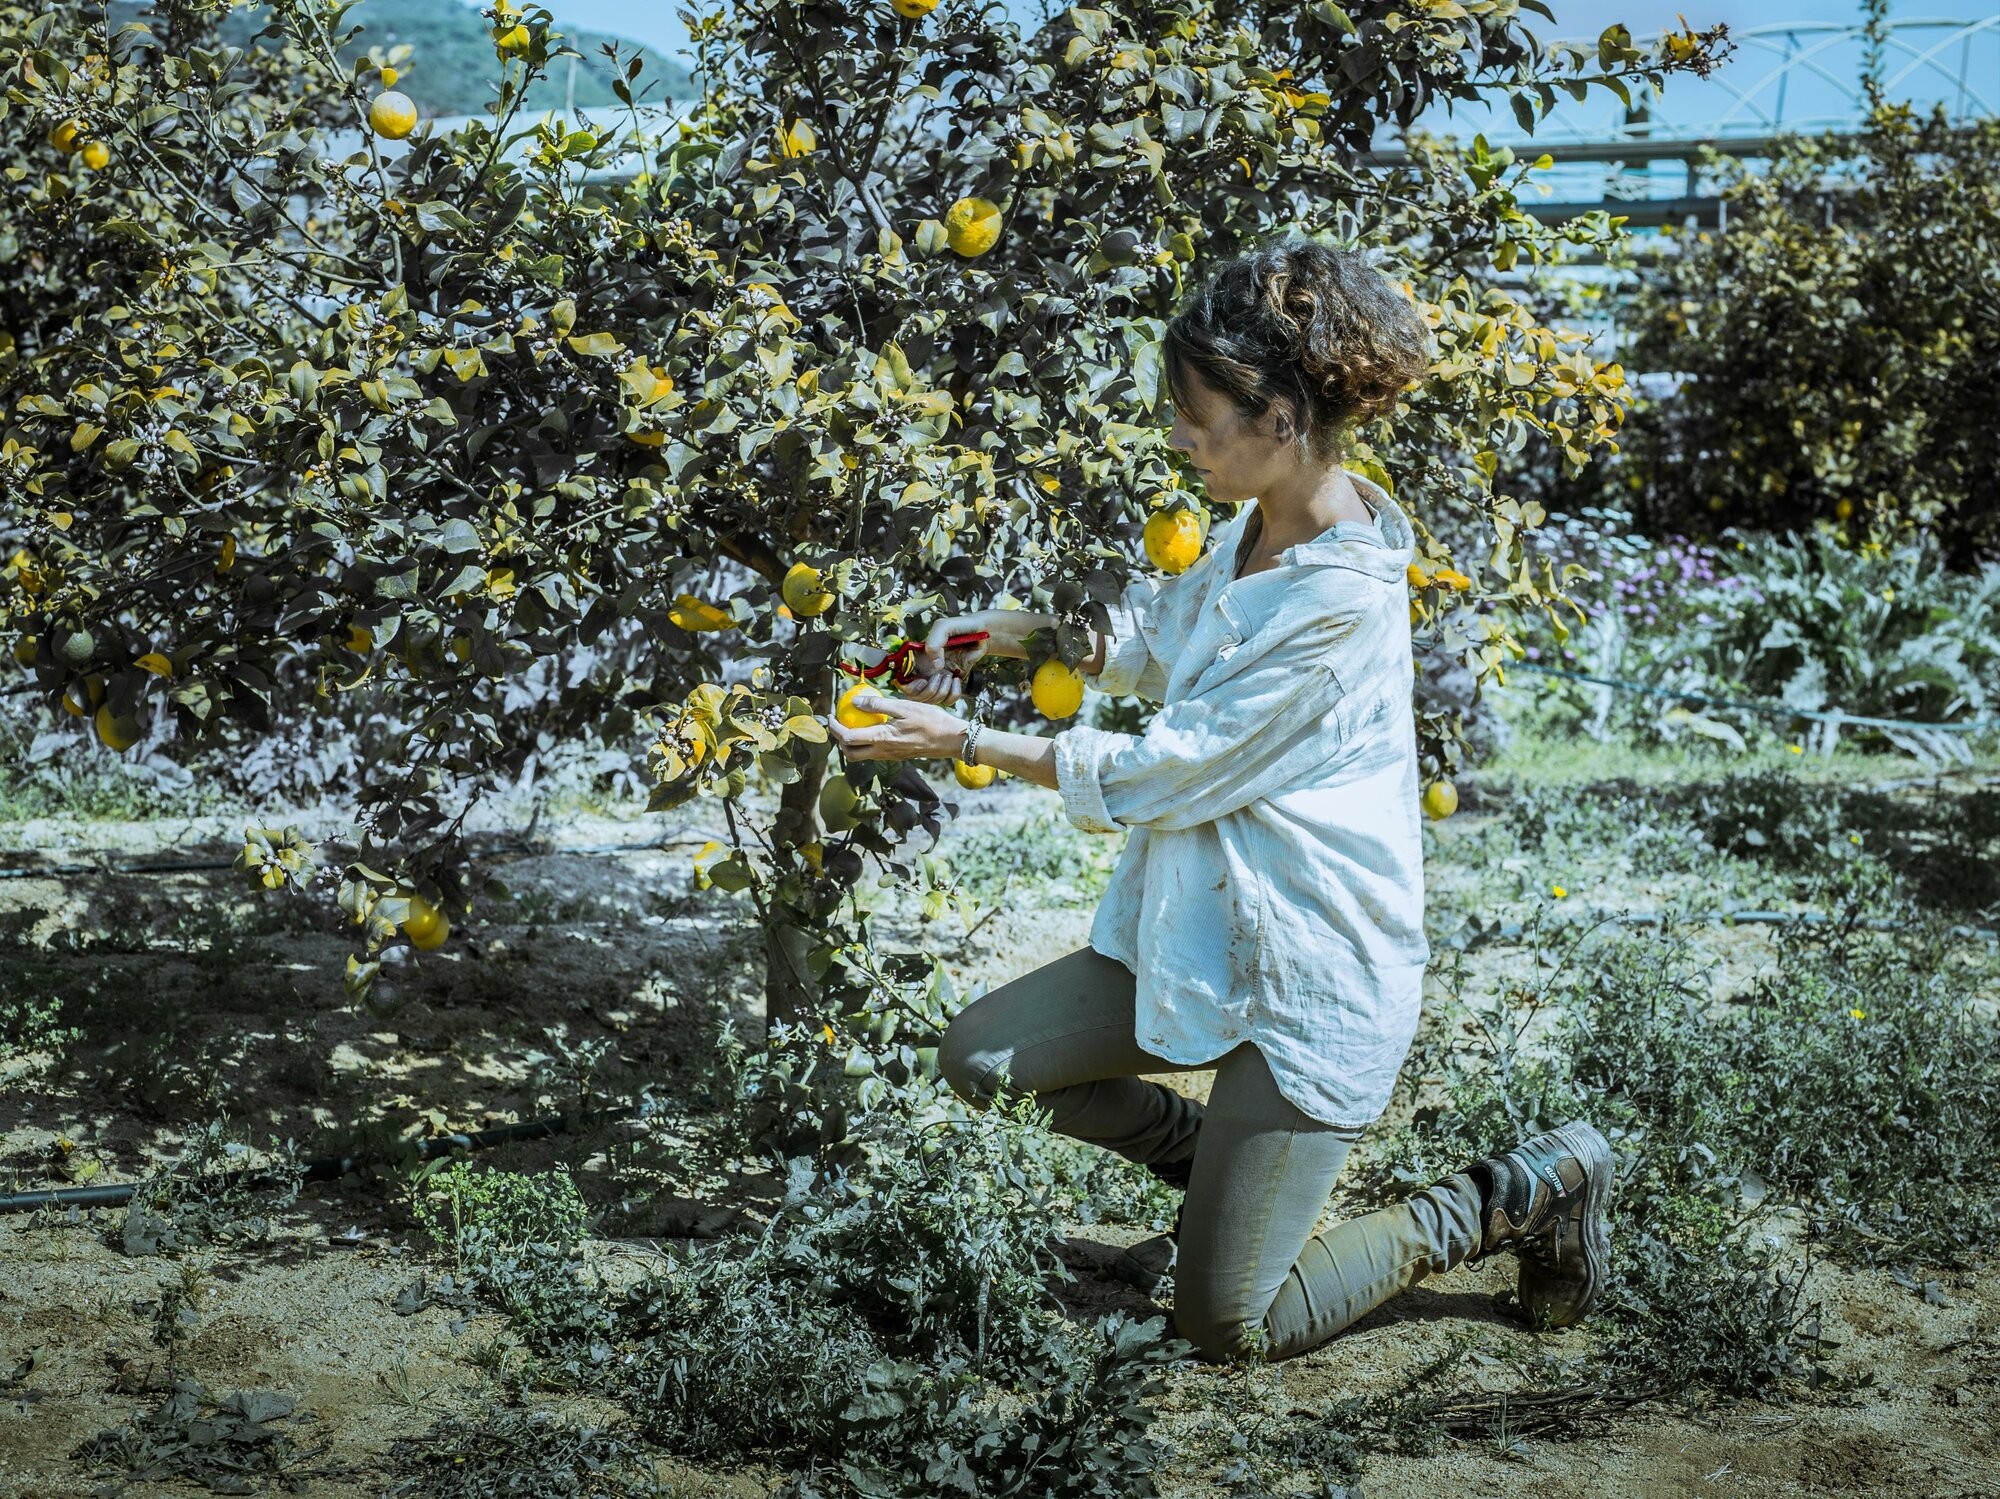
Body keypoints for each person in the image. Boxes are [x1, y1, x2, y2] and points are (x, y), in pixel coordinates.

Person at [823, 236, 1612, 1365]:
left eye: (1198, 415)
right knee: (983, 1060)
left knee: (1230, 1322)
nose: (1181, 437)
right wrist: (1009, 637)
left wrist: (967, 740)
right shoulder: (1256, 529)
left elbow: (1170, 766)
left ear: (1280, 417)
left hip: (1306, 964)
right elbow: (1163, 632)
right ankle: (1218, 1175)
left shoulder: (1336, 600)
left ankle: (1516, 1190)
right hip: (1205, 922)